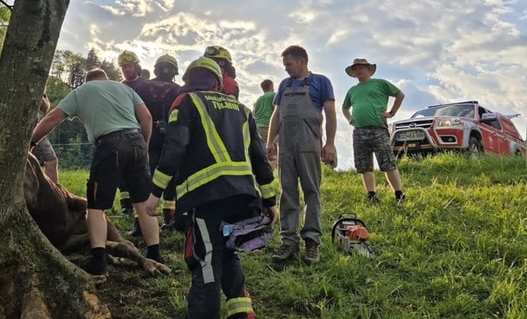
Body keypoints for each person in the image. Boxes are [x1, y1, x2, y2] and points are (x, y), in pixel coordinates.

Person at [145, 57, 277, 319]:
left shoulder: (186, 102)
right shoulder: (243, 109)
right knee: (227, 252)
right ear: (218, 82)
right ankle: (241, 313)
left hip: (207, 198)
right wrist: (271, 201)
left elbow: (174, 149)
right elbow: (260, 159)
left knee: (205, 261)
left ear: (188, 80)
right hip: (243, 197)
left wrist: (155, 194)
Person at [31, 68, 162, 275]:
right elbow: (146, 116)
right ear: (105, 79)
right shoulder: (124, 89)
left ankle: (99, 261)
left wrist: (31, 142)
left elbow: (52, 118)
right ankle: (155, 255)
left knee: (95, 206)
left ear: (87, 80)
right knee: (143, 203)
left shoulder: (82, 91)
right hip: (136, 141)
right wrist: (144, 145)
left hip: (109, 145)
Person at [265, 45, 337, 265]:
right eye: (284, 65)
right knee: (287, 192)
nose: (286, 69)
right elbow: (277, 114)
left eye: (289, 64)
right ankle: (288, 241)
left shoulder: (321, 82)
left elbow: (331, 113)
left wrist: (330, 144)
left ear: (302, 61)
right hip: (286, 147)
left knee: (311, 192)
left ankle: (312, 242)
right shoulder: (284, 85)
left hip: (309, 145)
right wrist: (270, 141)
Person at [342, 58, 406, 203]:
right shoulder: (352, 90)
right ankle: (371, 195)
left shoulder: (380, 83)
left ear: (369, 69)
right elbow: (344, 108)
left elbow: (400, 95)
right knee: (364, 166)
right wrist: (349, 118)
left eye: (361, 68)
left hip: (378, 128)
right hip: (359, 131)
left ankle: (399, 194)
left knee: (388, 163)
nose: (358, 71)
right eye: (355, 69)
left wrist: (392, 112)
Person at [144, 54, 182, 230]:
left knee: (148, 173)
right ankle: (170, 219)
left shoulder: (144, 87)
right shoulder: (179, 90)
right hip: (170, 136)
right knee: (170, 174)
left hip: (149, 135)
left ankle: (143, 220)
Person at [117, 50, 147, 221]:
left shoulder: (146, 86)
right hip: (125, 131)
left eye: (128, 66)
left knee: (141, 171)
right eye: (123, 67)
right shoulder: (120, 87)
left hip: (142, 130)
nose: (126, 69)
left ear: (136, 66)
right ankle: (126, 206)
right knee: (122, 170)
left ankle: (142, 208)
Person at [32, 92, 60, 184]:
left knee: (51, 161)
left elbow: (45, 108)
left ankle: (52, 195)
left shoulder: (38, 80)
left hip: (34, 128)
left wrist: (41, 98)